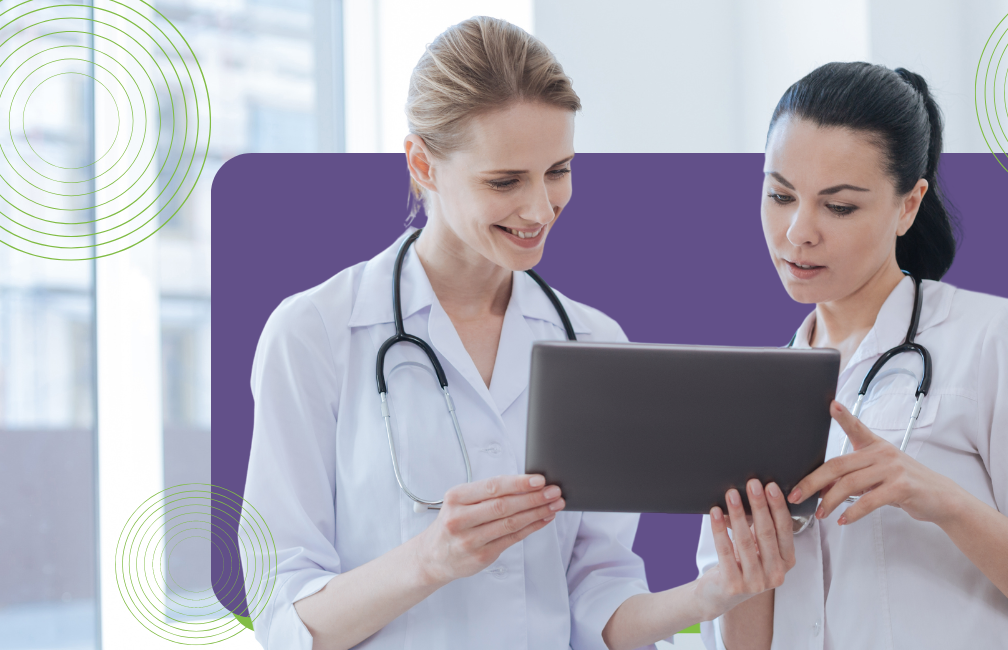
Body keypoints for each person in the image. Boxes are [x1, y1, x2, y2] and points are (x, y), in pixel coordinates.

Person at [242, 17, 795, 650]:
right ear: (422, 163)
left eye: (557, 171)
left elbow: (598, 599)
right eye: (504, 181)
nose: (539, 209)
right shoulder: (314, 335)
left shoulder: (594, 343)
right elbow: (285, 617)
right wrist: (431, 559)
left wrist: (713, 592)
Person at [696, 62, 1008, 650]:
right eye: (780, 195)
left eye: (840, 206)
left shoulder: (990, 335)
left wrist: (942, 500)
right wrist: (748, 566)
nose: (798, 232)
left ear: (908, 205)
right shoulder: (747, 397)